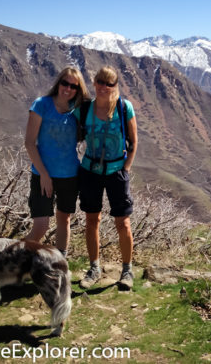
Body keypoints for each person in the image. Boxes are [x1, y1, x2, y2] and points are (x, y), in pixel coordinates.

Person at [77, 66, 138, 290]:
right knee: (92, 220)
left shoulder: (124, 107)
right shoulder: (85, 109)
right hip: (90, 170)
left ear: (115, 86)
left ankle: (127, 270)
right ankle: (94, 268)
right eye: (100, 82)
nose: (104, 87)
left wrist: (126, 169)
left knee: (123, 222)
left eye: (109, 83)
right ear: (94, 83)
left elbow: (133, 140)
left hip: (116, 172)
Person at [24, 66, 90, 257]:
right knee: (41, 226)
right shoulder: (41, 105)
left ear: (78, 90)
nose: (68, 89)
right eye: (65, 83)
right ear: (58, 83)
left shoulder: (78, 110)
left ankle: (59, 263)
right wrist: (44, 174)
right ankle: (12, 259)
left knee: (64, 220)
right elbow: (29, 143)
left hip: (69, 174)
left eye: (73, 86)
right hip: (42, 174)